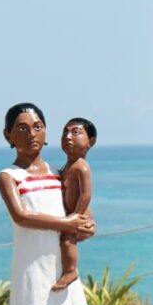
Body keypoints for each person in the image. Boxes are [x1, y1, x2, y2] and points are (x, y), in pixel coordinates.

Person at [0, 103, 119, 305]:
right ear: (8, 135)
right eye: (22, 128)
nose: (31, 133)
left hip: (60, 262)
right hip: (31, 263)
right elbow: (22, 216)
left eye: (37, 126)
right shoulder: (9, 176)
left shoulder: (58, 172)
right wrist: (68, 225)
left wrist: (86, 224)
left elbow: (74, 210)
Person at [52, 117, 97, 291]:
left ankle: (70, 271)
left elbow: (86, 194)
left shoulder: (81, 167)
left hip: (78, 214)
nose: (68, 137)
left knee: (67, 239)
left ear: (90, 142)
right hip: (70, 214)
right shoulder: (65, 167)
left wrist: (77, 215)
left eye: (75, 132)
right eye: (65, 132)